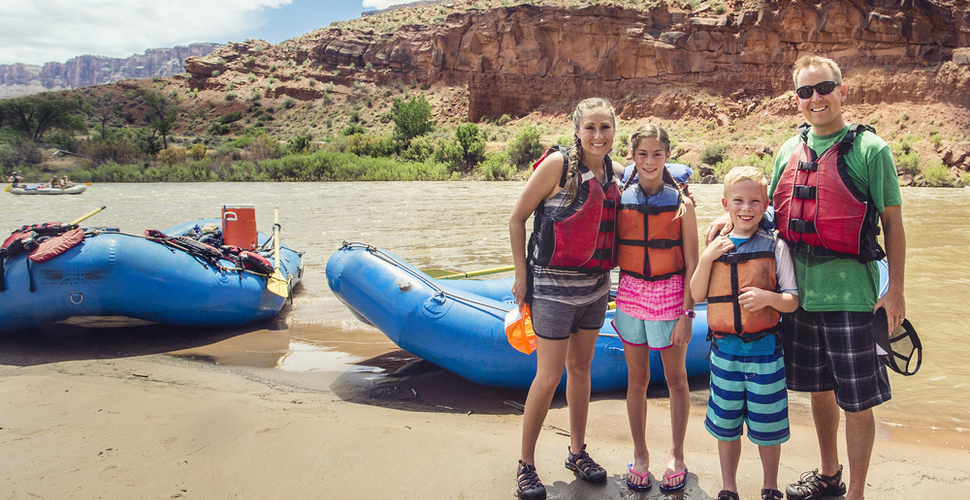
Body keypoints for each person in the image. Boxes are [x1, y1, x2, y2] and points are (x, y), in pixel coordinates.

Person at [705, 55, 906, 500]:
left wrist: (895, 292)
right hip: (800, 297)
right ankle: (829, 476)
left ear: (842, 91)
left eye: (824, 88)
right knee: (818, 391)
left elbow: (893, 223)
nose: (815, 98)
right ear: (796, 99)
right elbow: (770, 212)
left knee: (857, 401)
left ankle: (855, 492)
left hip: (852, 295)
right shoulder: (787, 151)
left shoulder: (872, 151)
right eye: (804, 92)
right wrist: (727, 227)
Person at [508, 97, 624, 500]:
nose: (598, 135)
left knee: (581, 370)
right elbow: (516, 217)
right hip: (553, 291)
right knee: (549, 375)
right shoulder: (557, 166)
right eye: (590, 127)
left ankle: (577, 452)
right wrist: (522, 275)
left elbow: (654, 187)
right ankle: (526, 464)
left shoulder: (616, 173)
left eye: (605, 127)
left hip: (595, 290)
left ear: (614, 130)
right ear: (577, 130)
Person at [691, 166, 799, 500]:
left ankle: (769, 486)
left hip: (766, 353)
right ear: (725, 203)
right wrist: (707, 257)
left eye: (755, 201)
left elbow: (792, 300)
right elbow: (696, 295)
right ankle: (729, 487)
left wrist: (768, 298)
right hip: (725, 353)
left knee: (768, 428)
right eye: (738, 200)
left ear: (766, 204)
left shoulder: (776, 246)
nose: (746, 208)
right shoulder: (714, 244)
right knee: (726, 427)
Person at [613, 123, 698, 493]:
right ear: (633, 156)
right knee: (637, 379)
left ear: (667, 157)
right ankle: (641, 454)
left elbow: (693, 264)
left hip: (669, 295)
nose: (650, 161)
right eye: (642, 154)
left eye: (657, 154)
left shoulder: (683, 204)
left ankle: (677, 455)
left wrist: (687, 313)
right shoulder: (619, 200)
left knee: (677, 380)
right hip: (630, 293)